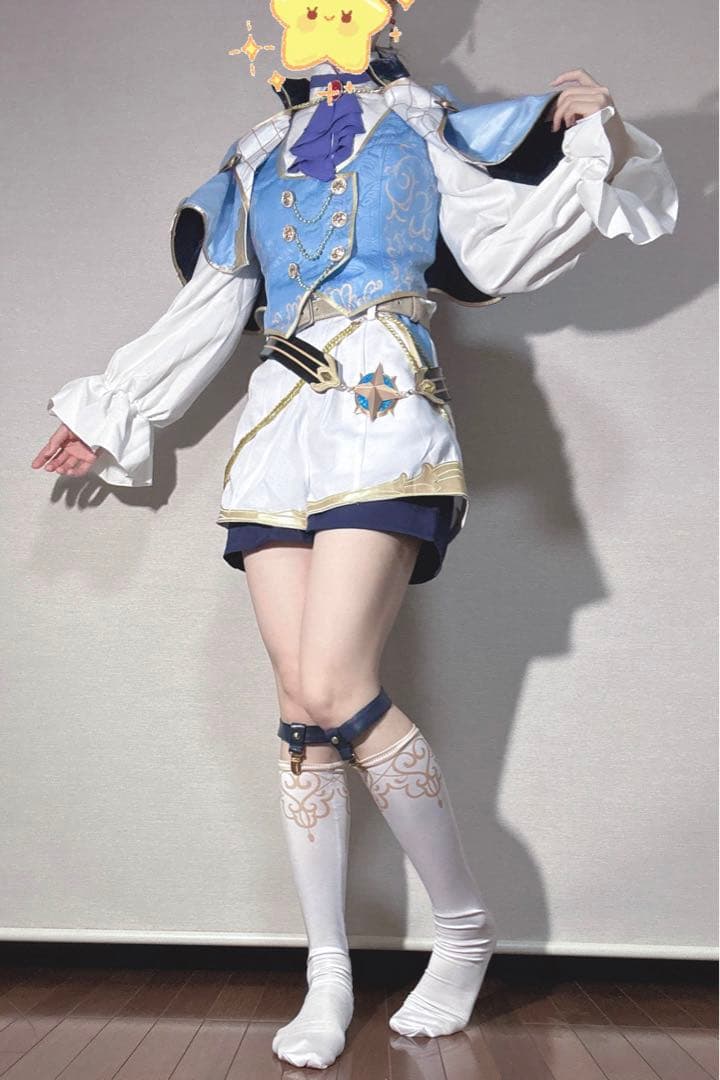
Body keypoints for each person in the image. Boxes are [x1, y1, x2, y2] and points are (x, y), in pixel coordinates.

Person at [31, 2, 678, 1070]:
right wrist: (115, 408)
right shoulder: (253, 157)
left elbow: (503, 245)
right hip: (277, 424)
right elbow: (214, 303)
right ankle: (326, 971)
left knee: (337, 681)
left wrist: (587, 136)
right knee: (300, 709)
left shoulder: (423, 126)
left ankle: (462, 928)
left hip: (384, 404)